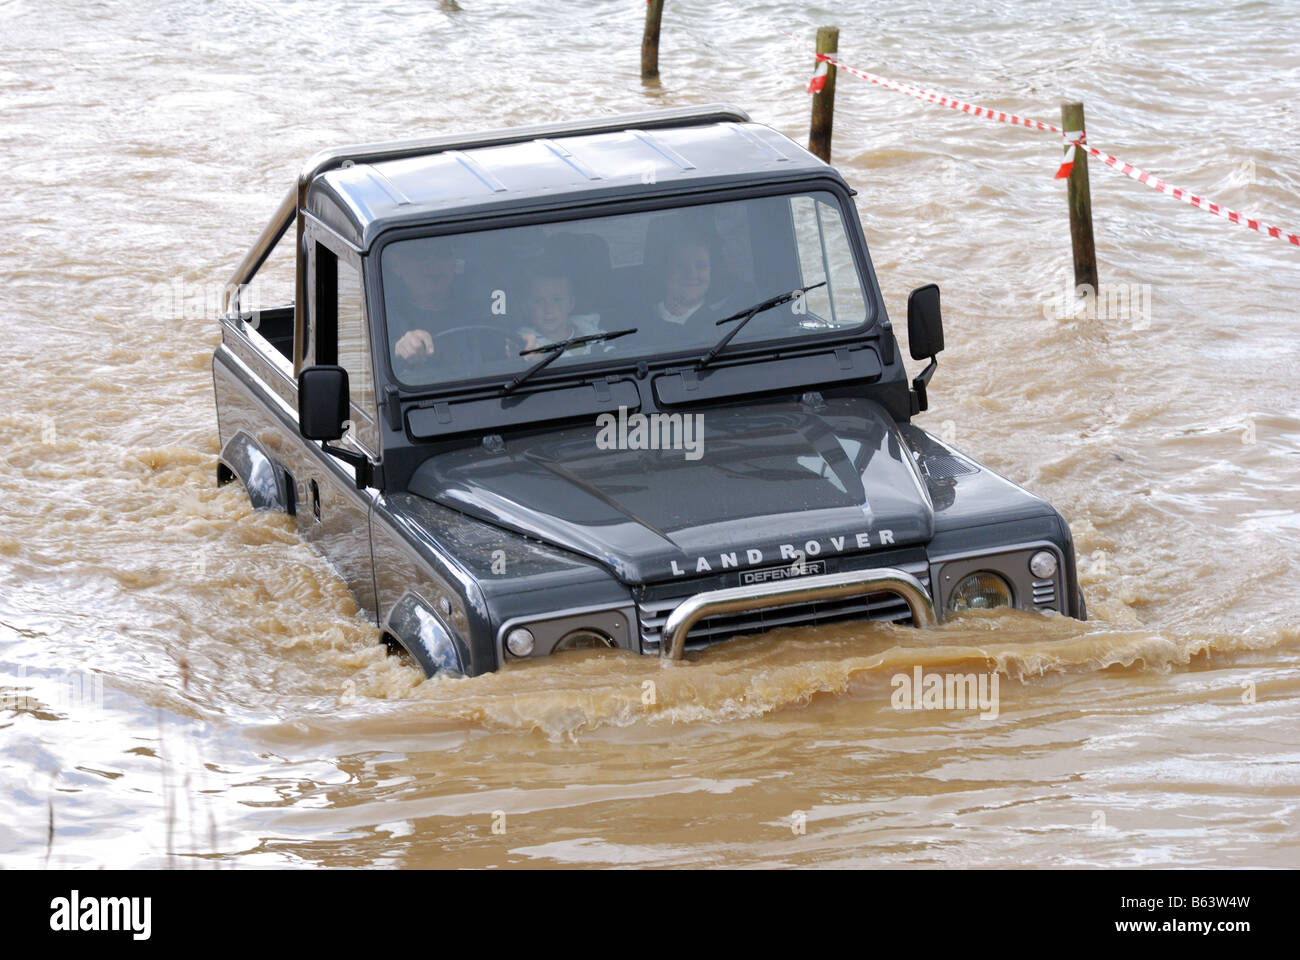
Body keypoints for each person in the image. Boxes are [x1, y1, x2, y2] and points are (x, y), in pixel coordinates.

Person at [516, 265, 601, 355]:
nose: (548, 309)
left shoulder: (591, 331)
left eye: (557, 300)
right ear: (527, 307)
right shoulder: (524, 343)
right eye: (539, 301)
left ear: (571, 304)